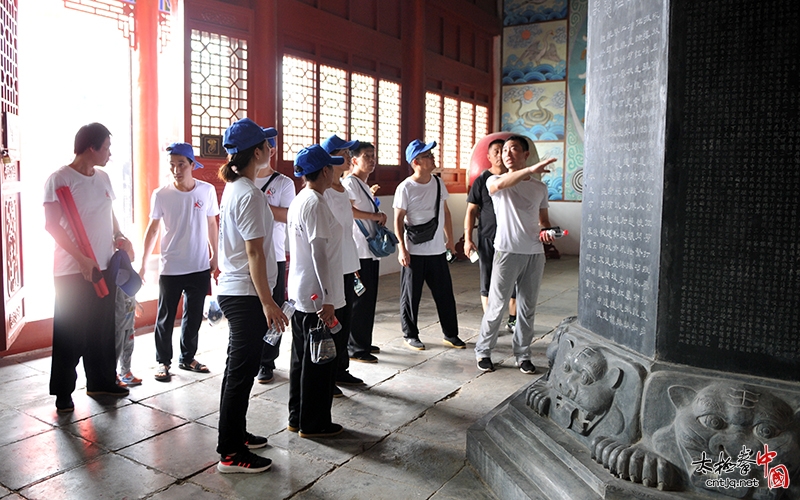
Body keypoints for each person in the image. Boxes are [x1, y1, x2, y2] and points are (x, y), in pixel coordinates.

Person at [44, 123, 133, 412]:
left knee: (101, 330)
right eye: (106, 147)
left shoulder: (104, 178)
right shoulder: (59, 179)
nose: (110, 153)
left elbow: (110, 214)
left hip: (104, 265)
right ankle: (63, 392)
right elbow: (52, 226)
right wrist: (81, 259)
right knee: (71, 332)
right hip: (73, 270)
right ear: (91, 148)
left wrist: (119, 235)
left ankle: (101, 381)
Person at [215, 118, 288, 473]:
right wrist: (268, 301)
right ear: (257, 152)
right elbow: (255, 253)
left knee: (237, 370)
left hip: (238, 289)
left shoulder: (235, 188)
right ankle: (230, 452)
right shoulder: (250, 194)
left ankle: (236, 433)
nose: (271, 150)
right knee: (241, 373)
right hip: (245, 294)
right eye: (267, 146)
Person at [474, 135, 557, 374]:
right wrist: (531, 169)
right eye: (504, 150)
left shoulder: (539, 187)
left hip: (534, 252)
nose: (507, 154)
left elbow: (543, 221)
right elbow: (500, 186)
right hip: (507, 251)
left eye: (514, 149)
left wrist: (548, 232)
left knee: (526, 307)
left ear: (525, 153)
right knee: (497, 306)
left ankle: (523, 355)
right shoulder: (495, 180)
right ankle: (483, 351)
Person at [139, 143, 219, 382]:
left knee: (193, 316)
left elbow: (212, 223)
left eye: (181, 164)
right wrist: (142, 263)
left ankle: (188, 357)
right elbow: (152, 229)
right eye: (172, 165)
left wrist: (214, 254)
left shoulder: (206, 191)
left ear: (192, 165)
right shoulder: (161, 194)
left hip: (199, 265)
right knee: (165, 317)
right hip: (171, 267)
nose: (176, 169)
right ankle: (163, 362)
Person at [287, 144, 345, 438]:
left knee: (301, 359)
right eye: (332, 167)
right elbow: (318, 253)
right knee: (319, 362)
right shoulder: (316, 204)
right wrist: (328, 298)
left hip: (301, 292)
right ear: (325, 171)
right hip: (316, 296)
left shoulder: (301, 200)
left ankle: (297, 417)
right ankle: (314, 424)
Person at [393, 140, 465, 351]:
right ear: (416, 162)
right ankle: (410, 334)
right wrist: (402, 249)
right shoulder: (405, 187)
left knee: (445, 294)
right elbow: (398, 219)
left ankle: (451, 334)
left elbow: (446, 212)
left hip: (436, 251)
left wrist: (450, 240)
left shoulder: (437, 182)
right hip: (413, 251)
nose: (433, 159)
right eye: (428, 156)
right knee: (410, 296)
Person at [321, 135, 366, 392]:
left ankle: (341, 369)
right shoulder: (324, 191)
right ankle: (328, 374)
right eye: (345, 154)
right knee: (333, 321)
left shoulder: (343, 189)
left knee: (345, 320)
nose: (349, 158)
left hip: (348, 263)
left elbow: (347, 231)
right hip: (332, 266)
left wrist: (354, 263)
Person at [253, 134, 296, 384]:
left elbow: (288, 215)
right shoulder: (240, 182)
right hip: (246, 257)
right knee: (251, 310)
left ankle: (267, 361)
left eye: (268, 147)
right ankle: (251, 356)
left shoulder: (283, 183)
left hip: (274, 255)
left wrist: (257, 205)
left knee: (274, 309)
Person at [464, 139, 518, 328]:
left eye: (502, 151)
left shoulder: (515, 178)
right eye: (495, 151)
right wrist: (468, 239)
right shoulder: (481, 180)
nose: (499, 155)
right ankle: (490, 321)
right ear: (488, 157)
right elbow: (471, 211)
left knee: (513, 278)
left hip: (512, 238)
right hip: (488, 236)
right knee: (487, 278)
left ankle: (513, 319)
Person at [342, 142, 386, 363]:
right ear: (354, 161)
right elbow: (349, 211)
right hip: (358, 250)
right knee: (359, 300)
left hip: (369, 251)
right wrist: (375, 217)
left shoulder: (362, 184)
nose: (371, 159)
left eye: (373, 155)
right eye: (366, 156)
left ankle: (363, 341)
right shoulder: (350, 183)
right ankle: (356, 348)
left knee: (368, 299)